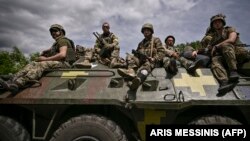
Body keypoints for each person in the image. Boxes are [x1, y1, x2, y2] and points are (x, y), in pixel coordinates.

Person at [0, 24, 76, 93]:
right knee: (33, 63)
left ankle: (18, 83)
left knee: (42, 64)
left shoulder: (62, 41)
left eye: (55, 31)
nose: (53, 33)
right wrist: (47, 51)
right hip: (59, 63)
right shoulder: (58, 42)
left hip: (64, 64)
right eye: (51, 32)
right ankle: (13, 78)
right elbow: (54, 49)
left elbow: (62, 55)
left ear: (61, 32)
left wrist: (45, 59)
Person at [209, 14, 249, 94]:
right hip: (227, 56)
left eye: (219, 22)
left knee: (226, 45)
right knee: (215, 59)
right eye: (215, 23)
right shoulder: (214, 38)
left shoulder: (229, 29)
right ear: (212, 25)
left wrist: (217, 46)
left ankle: (233, 71)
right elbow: (208, 48)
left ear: (223, 23)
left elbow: (231, 40)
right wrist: (196, 51)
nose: (217, 24)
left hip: (238, 53)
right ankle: (224, 81)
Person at [117, 23, 165, 90]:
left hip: (153, 62)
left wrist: (154, 58)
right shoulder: (141, 43)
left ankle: (138, 80)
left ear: (151, 31)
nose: (146, 32)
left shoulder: (156, 40)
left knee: (147, 65)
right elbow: (136, 55)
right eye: (144, 30)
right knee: (129, 57)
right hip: (142, 61)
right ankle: (131, 71)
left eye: (148, 30)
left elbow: (162, 52)